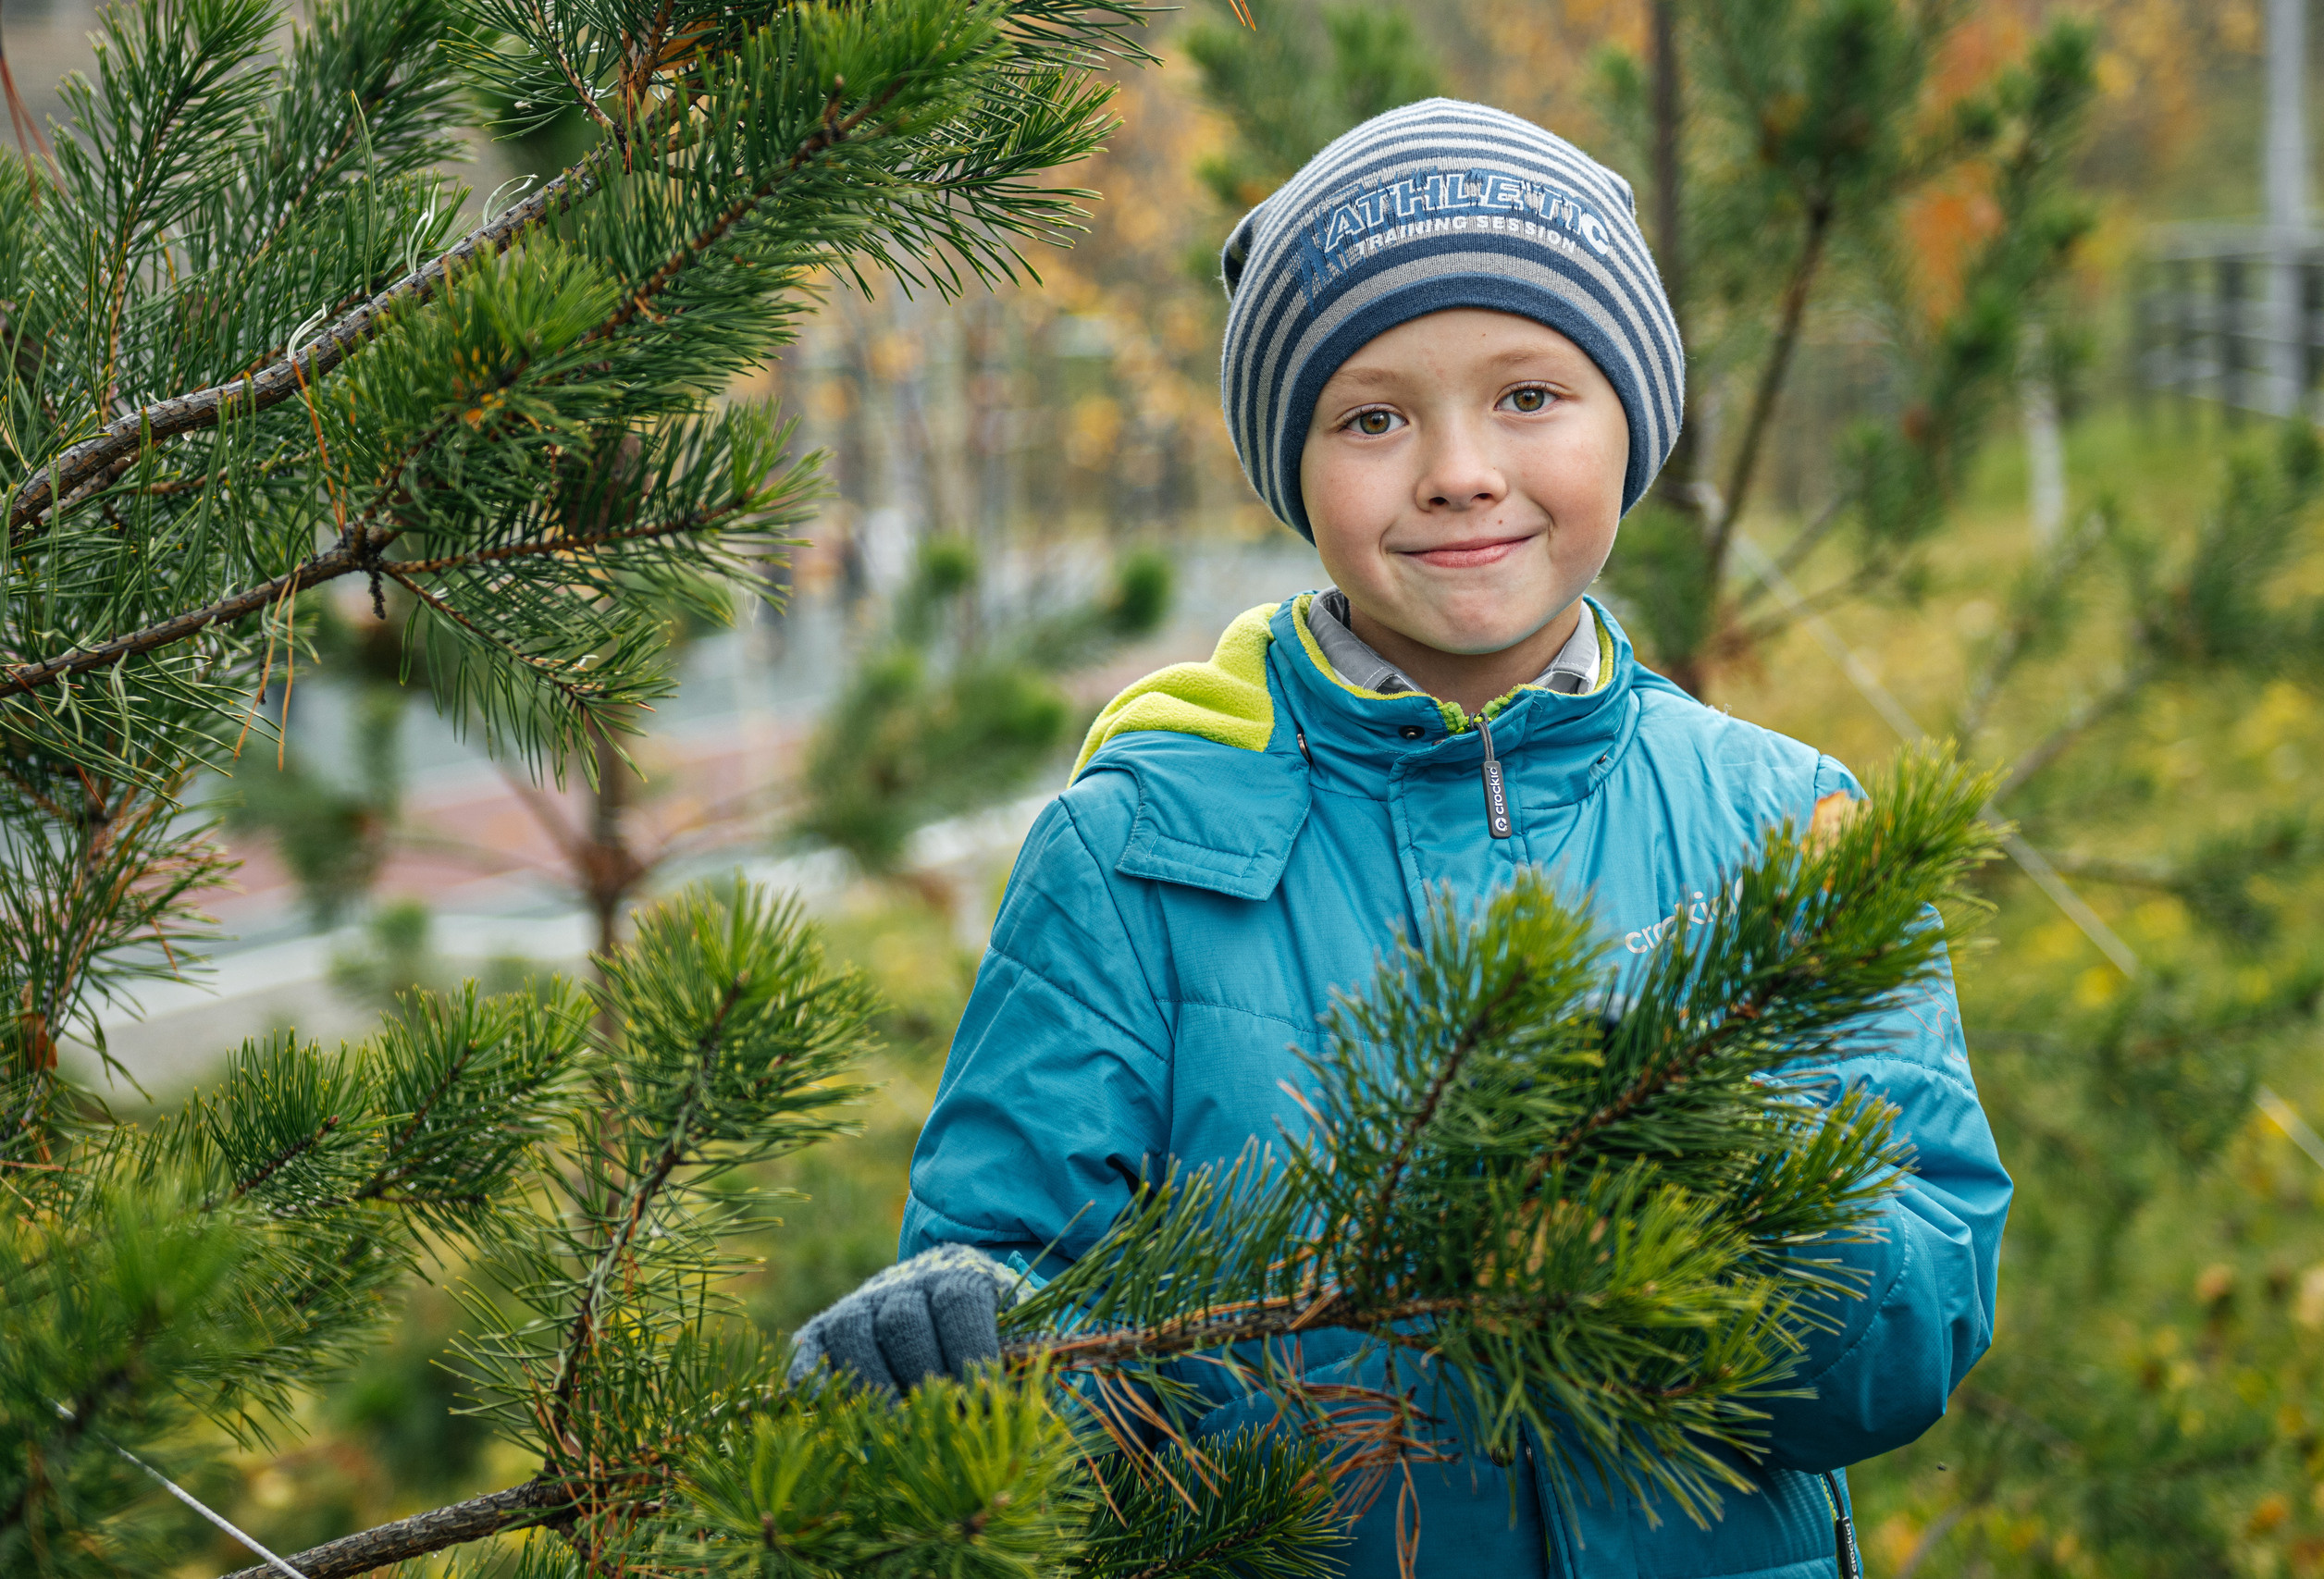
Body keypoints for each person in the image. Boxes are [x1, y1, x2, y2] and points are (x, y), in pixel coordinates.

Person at [787, 99, 2010, 1579]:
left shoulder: (1787, 827)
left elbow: (1909, 1345)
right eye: (1372, 417)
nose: (1457, 470)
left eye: (1530, 396)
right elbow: (1022, 1294)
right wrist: (953, 1339)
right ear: (1291, 466)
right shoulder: (1136, 854)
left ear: (1633, 419)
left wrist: (1702, 1147)